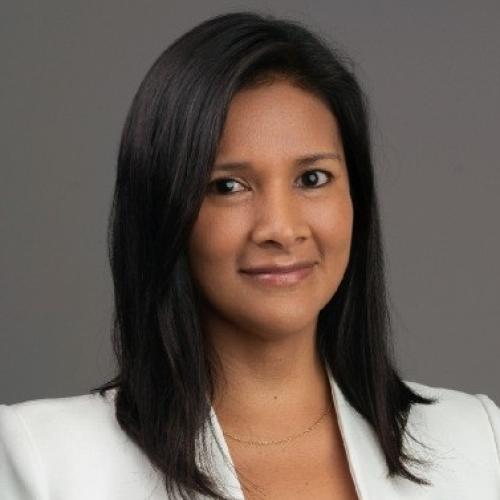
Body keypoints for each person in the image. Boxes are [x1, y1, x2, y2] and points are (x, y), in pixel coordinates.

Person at [1, 10, 499, 500]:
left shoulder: (481, 442)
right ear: (164, 210)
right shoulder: (40, 461)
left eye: (312, 178)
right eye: (228, 186)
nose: (280, 229)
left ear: (356, 200)